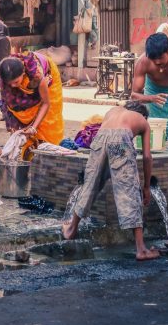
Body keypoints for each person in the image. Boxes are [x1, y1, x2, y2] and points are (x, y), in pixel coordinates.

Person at [62, 101, 159, 261]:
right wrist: (146, 187)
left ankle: (71, 229)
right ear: (143, 115)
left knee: (90, 185)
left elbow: (107, 140)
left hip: (100, 138)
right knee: (129, 190)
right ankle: (141, 249)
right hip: (120, 142)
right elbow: (147, 157)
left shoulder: (113, 111)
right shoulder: (142, 121)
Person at [0, 52, 64, 148]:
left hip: (49, 80)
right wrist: (15, 130)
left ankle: (50, 150)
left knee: (49, 121)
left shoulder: (37, 75)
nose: (13, 86)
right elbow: (9, 105)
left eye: (16, 82)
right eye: (10, 83)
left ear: (23, 72)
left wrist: (33, 128)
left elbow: (46, 103)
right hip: (28, 80)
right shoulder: (4, 78)